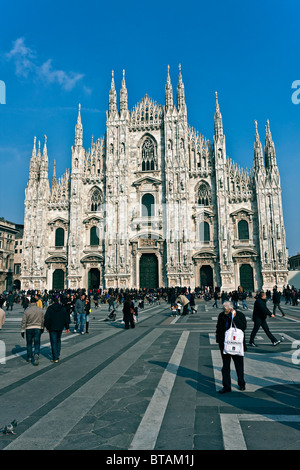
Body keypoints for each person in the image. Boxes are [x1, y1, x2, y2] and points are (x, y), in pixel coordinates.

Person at [216, 301, 247, 393]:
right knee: (225, 366)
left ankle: (241, 384)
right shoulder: (221, 315)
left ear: (231, 309)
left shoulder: (239, 315)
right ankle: (226, 386)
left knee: (239, 366)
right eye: (224, 310)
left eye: (226, 311)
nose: (225, 312)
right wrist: (219, 340)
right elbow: (218, 328)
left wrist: (234, 317)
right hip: (225, 344)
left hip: (236, 345)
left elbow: (243, 327)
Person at [44, 296, 70, 363]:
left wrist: (47, 327)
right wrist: (67, 327)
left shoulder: (50, 308)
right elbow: (66, 318)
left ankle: (55, 357)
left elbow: (46, 318)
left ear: (52, 302)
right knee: (58, 340)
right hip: (60, 327)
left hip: (52, 328)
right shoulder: (62, 308)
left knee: (53, 342)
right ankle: (57, 355)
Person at [21, 296, 44, 365]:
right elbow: (42, 320)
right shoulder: (40, 310)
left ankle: (30, 357)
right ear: (36, 302)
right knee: (37, 343)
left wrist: (22, 330)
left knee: (29, 343)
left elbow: (24, 321)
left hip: (29, 328)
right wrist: (42, 327)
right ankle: (36, 354)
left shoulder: (27, 310)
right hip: (37, 328)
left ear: (30, 302)